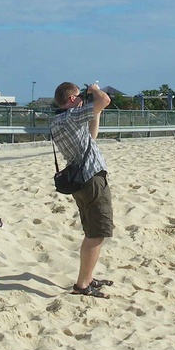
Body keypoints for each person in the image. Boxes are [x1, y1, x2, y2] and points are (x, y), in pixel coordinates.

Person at [52, 81, 115, 297]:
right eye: (79, 96)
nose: (82, 100)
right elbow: (105, 100)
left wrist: (94, 111)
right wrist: (95, 90)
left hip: (80, 181)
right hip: (92, 179)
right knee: (97, 234)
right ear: (71, 99)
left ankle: (88, 277)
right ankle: (82, 285)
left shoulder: (58, 121)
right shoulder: (73, 116)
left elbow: (91, 138)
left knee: (91, 231)